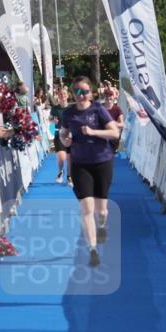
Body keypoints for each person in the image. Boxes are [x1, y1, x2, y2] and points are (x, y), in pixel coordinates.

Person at [58, 75, 120, 268]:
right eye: (77, 91)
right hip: (80, 164)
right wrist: (65, 139)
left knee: (101, 210)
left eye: (84, 91)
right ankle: (92, 249)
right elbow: (63, 132)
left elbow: (115, 132)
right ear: (72, 93)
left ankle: (101, 225)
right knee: (86, 209)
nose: (81, 95)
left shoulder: (98, 110)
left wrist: (94, 132)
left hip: (102, 162)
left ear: (91, 93)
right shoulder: (68, 113)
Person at [49, 87, 71, 184]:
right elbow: (49, 119)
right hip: (59, 135)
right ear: (58, 96)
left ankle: (69, 176)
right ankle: (61, 172)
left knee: (70, 158)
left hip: (71, 136)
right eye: (61, 94)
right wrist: (53, 121)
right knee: (62, 157)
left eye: (64, 94)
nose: (62, 96)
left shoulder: (72, 108)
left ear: (67, 95)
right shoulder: (55, 108)